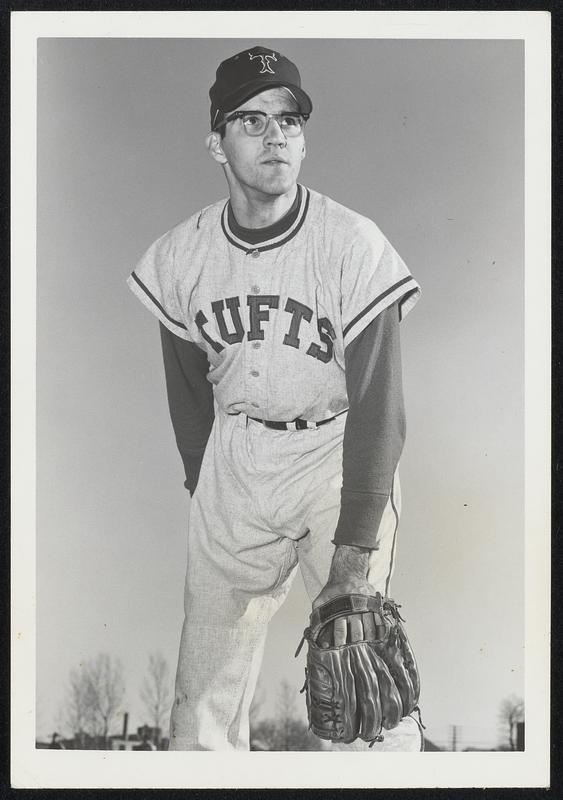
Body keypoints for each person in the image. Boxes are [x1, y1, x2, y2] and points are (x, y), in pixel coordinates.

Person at [128, 45, 421, 751]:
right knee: (199, 709)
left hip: (334, 453)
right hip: (235, 456)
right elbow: (186, 388)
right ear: (216, 144)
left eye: (288, 120)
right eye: (250, 121)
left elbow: (380, 405)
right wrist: (207, 488)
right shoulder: (179, 254)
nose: (274, 136)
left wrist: (355, 556)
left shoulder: (352, 242)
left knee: (366, 703)